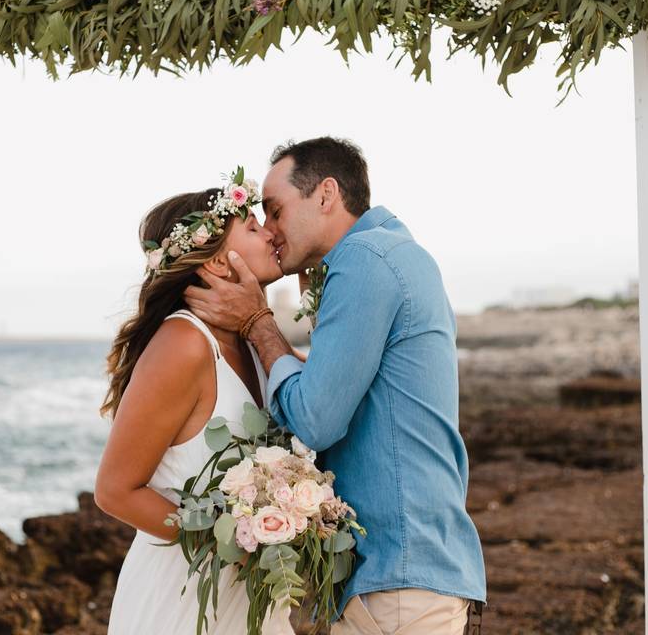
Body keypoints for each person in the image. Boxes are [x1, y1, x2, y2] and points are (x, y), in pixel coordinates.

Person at [185, 137, 488, 634]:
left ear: (325, 195)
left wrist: (259, 323)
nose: (272, 230)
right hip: (408, 575)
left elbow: (317, 420)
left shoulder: (366, 260)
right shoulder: (393, 253)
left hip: (398, 581)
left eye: (276, 210)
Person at [95, 184, 294, 634]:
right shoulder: (184, 344)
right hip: (183, 602)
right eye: (252, 226)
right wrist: (231, 541)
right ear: (219, 261)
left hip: (249, 597)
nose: (269, 235)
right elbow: (114, 491)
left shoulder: (253, 340)